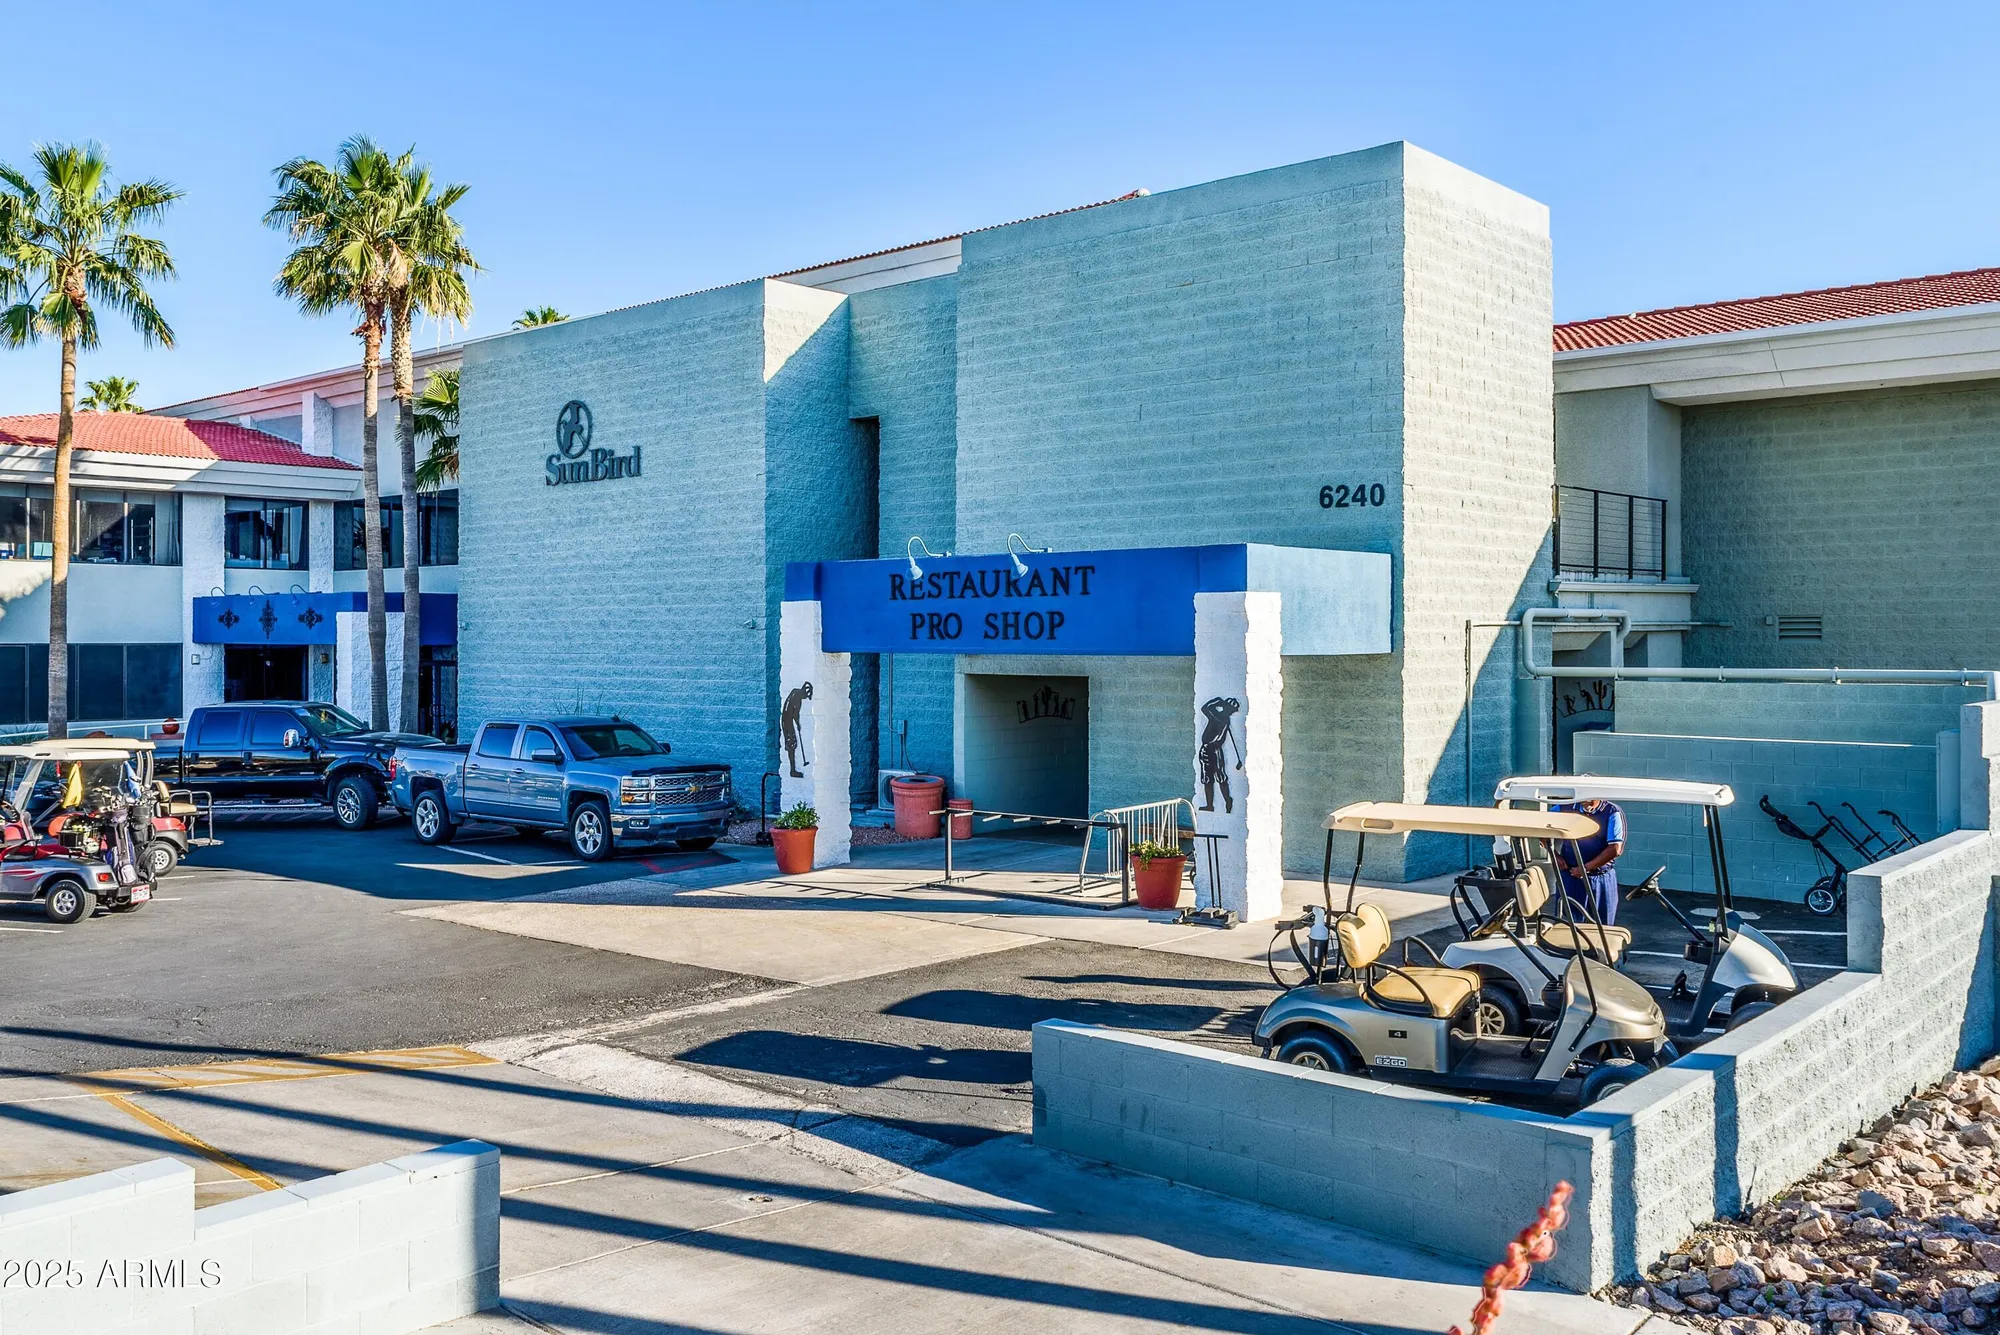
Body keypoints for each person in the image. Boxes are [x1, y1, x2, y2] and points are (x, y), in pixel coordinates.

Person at [1552, 795, 1625, 926]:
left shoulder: (1612, 811)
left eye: (1591, 798)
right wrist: (1554, 855)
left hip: (1601, 878)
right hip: (1571, 876)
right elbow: (1539, 826)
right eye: (1583, 797)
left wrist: (1585, 868)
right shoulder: (1564, 808)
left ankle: (1600, 947)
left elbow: (1615, 849)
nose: (1586, 802)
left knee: (1603, 925)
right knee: (1568, 924)